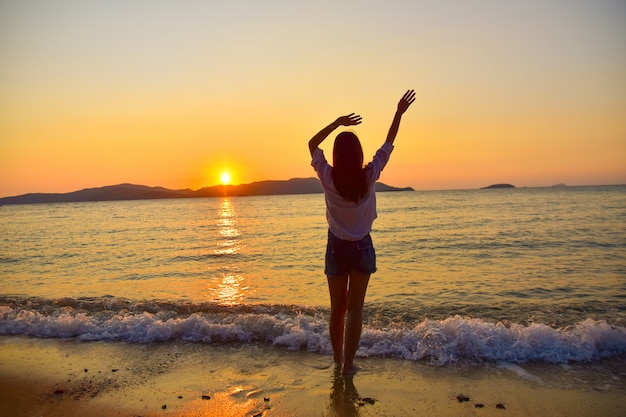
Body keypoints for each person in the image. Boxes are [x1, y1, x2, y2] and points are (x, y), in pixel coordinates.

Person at [309, 90, 415, 375]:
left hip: (336, 247)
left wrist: (336, 123)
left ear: (336, 155)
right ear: (358, 155)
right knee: (355, 308)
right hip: (362, 247)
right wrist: (398, 113)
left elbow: (311, 143)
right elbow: (388, 144)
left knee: (337, 309)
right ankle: (349, 365)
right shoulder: (368, 176)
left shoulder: (327, 176)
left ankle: (337, 360)